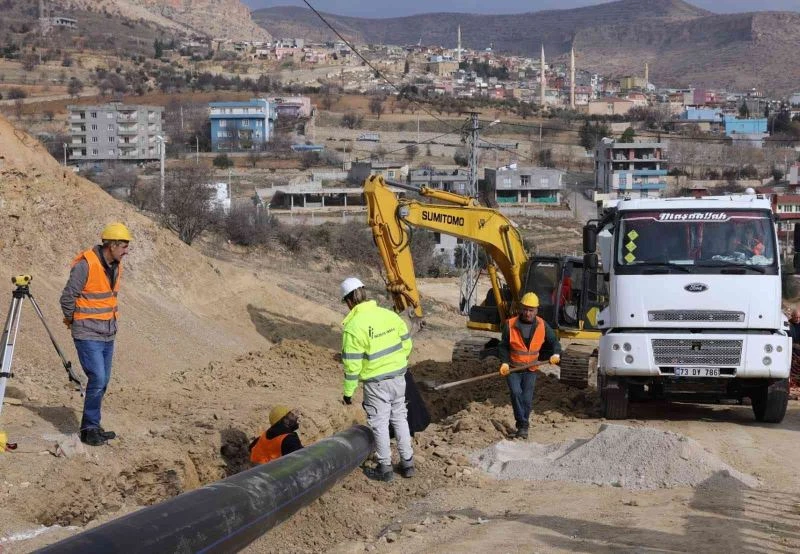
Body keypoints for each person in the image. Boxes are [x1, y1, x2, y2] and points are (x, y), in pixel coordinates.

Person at [60, 223, 131, 446]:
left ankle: (93, 425)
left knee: (104, 381)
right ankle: (88, 428)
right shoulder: (86, 265)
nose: (126, 251)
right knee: (98, 378)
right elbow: (67, 298)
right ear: (111, 245)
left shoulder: (115, 266)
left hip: (108, 333)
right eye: (123, 246)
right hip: (87, 333)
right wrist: (74, 321)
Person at [340, 277, 414, 482]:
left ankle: (385, 467)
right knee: (400, 418)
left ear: (348, 301)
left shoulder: (353, 326)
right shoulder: (389, 315)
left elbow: (352, 365)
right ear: (364, 292)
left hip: (376, 383)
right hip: (399, 377)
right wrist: (397, 364)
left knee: (380, 423)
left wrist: (348, 392)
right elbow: (406, 344)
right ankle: (407, 463)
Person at [498, 292, 562, 440]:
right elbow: (503, 347)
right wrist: (504, 362)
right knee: (515, 393)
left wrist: (556, 354)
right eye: (525, 309)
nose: (528, 313)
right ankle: (522, 424)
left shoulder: (542, 324)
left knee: (526, 399)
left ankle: (523, 426)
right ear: (521, 309)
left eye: (531, 310)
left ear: (536, 311)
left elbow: (554, 342)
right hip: (513, 368)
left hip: (531, 369)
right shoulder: (510, 324)